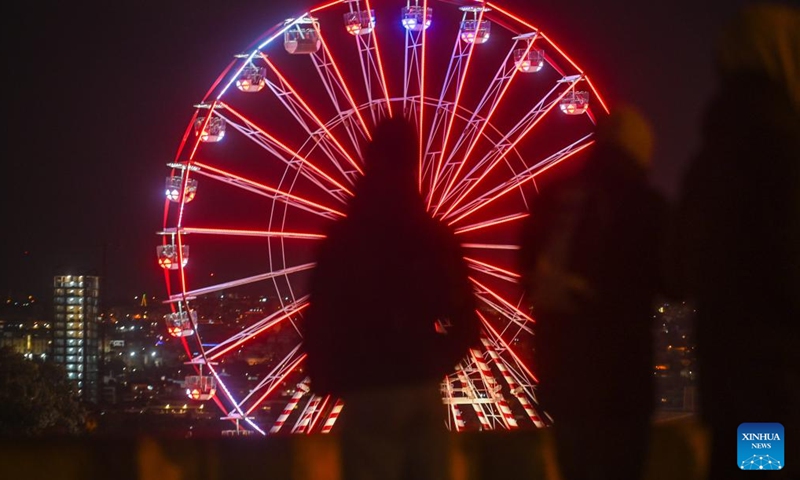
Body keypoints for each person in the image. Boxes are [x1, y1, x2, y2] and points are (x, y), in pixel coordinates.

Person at [302, 117, 480, 480]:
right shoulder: (432, 236)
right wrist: (435, 357)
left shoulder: (345, 239)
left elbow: (322, 315)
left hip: (367, 386)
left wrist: (329, 374)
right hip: (420, 382)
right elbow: (464, 316)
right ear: (413, 165)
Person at [675, 4, 799, 479]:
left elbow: (678, 267)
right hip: (777, 378)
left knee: (747, 468)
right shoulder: (781, 148)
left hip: (729, 377)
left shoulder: (707, 161)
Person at [518, 104, 667, 480]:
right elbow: (677, 279)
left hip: (563, 376)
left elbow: (527, 271)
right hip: (621, 379)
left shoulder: (552, 199)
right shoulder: (642, 203)